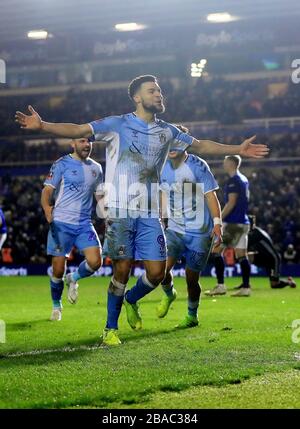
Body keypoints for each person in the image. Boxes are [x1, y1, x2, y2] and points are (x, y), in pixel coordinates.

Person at [16, 74, 268, 345]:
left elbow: (201, 145)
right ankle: (110, 329)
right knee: (122, 270)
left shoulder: (168, 131)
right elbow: (78, 129)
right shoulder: (118, 124)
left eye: (160, 91)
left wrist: (237, 148)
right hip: (120, 211)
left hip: (150, 214)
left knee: (158, 273)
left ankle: (130, 300)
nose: (159, 94)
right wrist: (43, 126)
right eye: (152, 91)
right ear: (137, 97)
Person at [157, 142, 222, 328]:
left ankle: (192, 315)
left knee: (191, 278)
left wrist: (218, 224)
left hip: (200, 231)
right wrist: (162, 218)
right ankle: (170, 294)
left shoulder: (198, 165)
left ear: (185, 145)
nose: (172, 147)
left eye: (177, 143)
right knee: (160, 270)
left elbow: (211, 195)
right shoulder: (161, 166)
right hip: (175, 230)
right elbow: (162, 193)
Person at [41, 138, 103, 321]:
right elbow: (47, 191)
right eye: (83, 141)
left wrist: (107, 214)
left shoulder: (97, 168)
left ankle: (73, 278)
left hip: (84, 223)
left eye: (90, 142)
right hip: (61, 223)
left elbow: (99, 195)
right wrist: (46, 208)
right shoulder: (61, 163)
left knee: (96, 261)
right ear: (73, 144)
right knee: (58, 270)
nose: (87, 145)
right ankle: (56, 306)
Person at [206, 155, 251, 297]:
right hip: (243, 222)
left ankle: (220, 286)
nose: (223, 164)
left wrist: (218, 219)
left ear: (231, 163)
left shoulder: (233, 181)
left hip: (233, 223)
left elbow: (231, 203)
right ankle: (246, 287)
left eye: (225, 162)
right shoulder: (244, 179)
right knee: (241, 255)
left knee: (216, 250)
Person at [246, 215, 296, 289]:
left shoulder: (255, 233)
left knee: (274, 285)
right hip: (263, 257)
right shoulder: (253, 232)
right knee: (246, 256)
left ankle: (289, 282)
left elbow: (245, 246)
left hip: (273, 259)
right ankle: (246, 283)